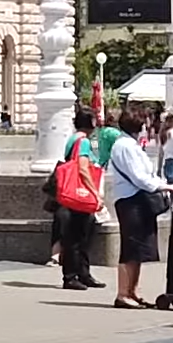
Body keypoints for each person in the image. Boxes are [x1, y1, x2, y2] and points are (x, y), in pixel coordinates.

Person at [110, 103, 173, 309]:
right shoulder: (124, 146)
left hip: (138, 201)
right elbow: (139, 177)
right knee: (130, 249)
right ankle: (123, 293)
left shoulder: (130, 145)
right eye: (146, 122)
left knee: (138, 249)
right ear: (138, 125)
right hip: (131, 201)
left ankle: (133, 291)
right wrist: (163, 186)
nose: (148, 126)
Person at [56, 108, 106, 292]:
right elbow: (83, 169)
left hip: (73, 196)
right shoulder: (83, 141)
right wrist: (94, 193)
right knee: (79, 237)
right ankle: (73, 276)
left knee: (78, 235)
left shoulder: (72, 138)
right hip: (81, 195)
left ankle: (82, 273)